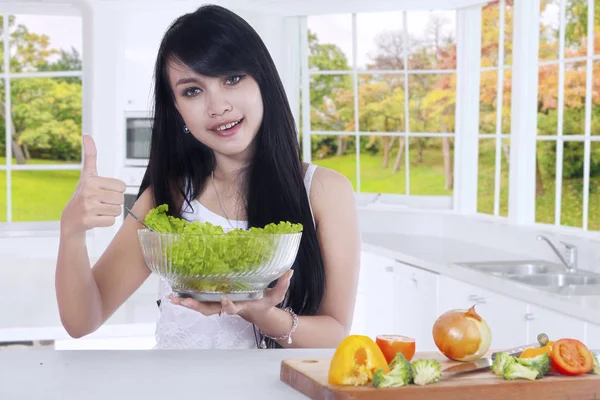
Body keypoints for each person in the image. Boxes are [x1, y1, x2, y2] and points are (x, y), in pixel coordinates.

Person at [55, 4, 361, 349]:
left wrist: (259, 313)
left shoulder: (323, 190)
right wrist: (71, 232)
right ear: (177, 109)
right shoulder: (168, 195)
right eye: (192, 90)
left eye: (232, 78)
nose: (217, 106)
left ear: (263, 80)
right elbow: (83, 320)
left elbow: (335, 333)